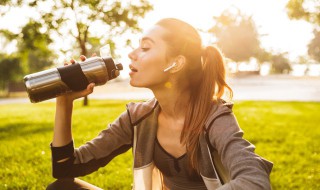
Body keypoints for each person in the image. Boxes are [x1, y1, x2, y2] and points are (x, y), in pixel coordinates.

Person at [47, 18, 273, 190]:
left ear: (175, 64)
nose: (132, 54)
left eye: (145, 48)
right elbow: (66, 168)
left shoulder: (214, 117)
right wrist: (64, 103)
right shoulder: (138, 117)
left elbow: (254, 180)